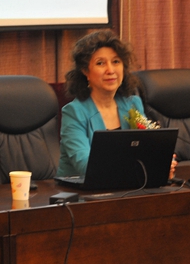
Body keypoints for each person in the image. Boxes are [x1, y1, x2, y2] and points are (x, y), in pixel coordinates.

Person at [57, 30, 177, 178]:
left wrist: (162, 162)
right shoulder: (74, 112)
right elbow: (86, 165)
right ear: (85, 71)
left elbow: (146, 149)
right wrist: (136, 168)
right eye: (100, 63)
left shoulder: (133, 104)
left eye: (116, 62)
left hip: (127, 185)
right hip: (80, 189)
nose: (110, 70)